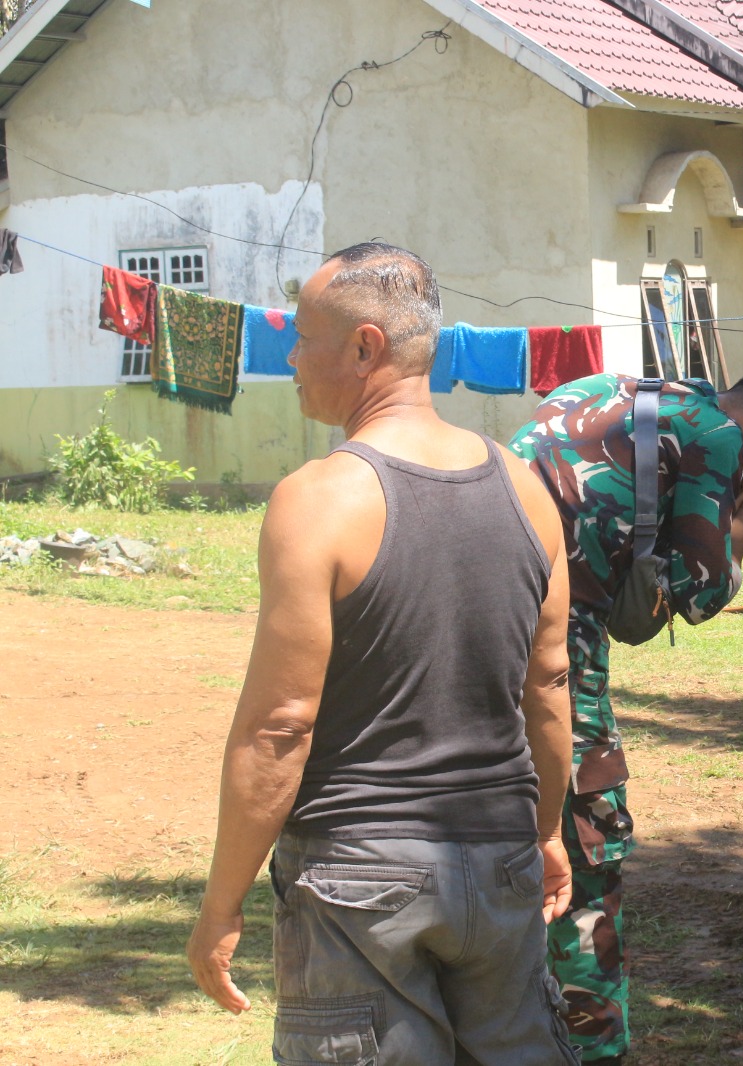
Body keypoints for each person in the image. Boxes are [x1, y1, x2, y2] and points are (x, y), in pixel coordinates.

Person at [186, 243, 580, 1066]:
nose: (291, 360)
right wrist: (545, 832)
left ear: (365, 347)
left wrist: (222, 903)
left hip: (358, 880)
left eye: (303, 338)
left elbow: (280, 727)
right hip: (500, 858)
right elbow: (547, 684)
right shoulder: (526, 489)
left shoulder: (319, 499)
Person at [509, 371, 743, 1065]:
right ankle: (592, 1048)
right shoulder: (720, 434)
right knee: (588, 851)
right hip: (554, 645)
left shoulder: (603, 389)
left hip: (463, 625)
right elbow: (696, 592)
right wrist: (741, 526)